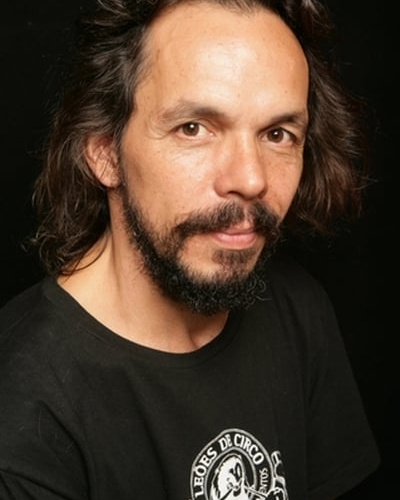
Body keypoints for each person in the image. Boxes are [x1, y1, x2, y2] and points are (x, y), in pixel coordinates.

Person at [0, 0, 380, 498]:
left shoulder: (297, 307)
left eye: (277, 134)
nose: (251, 179)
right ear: (104, 151)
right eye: (194, 128)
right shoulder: (22, 408)